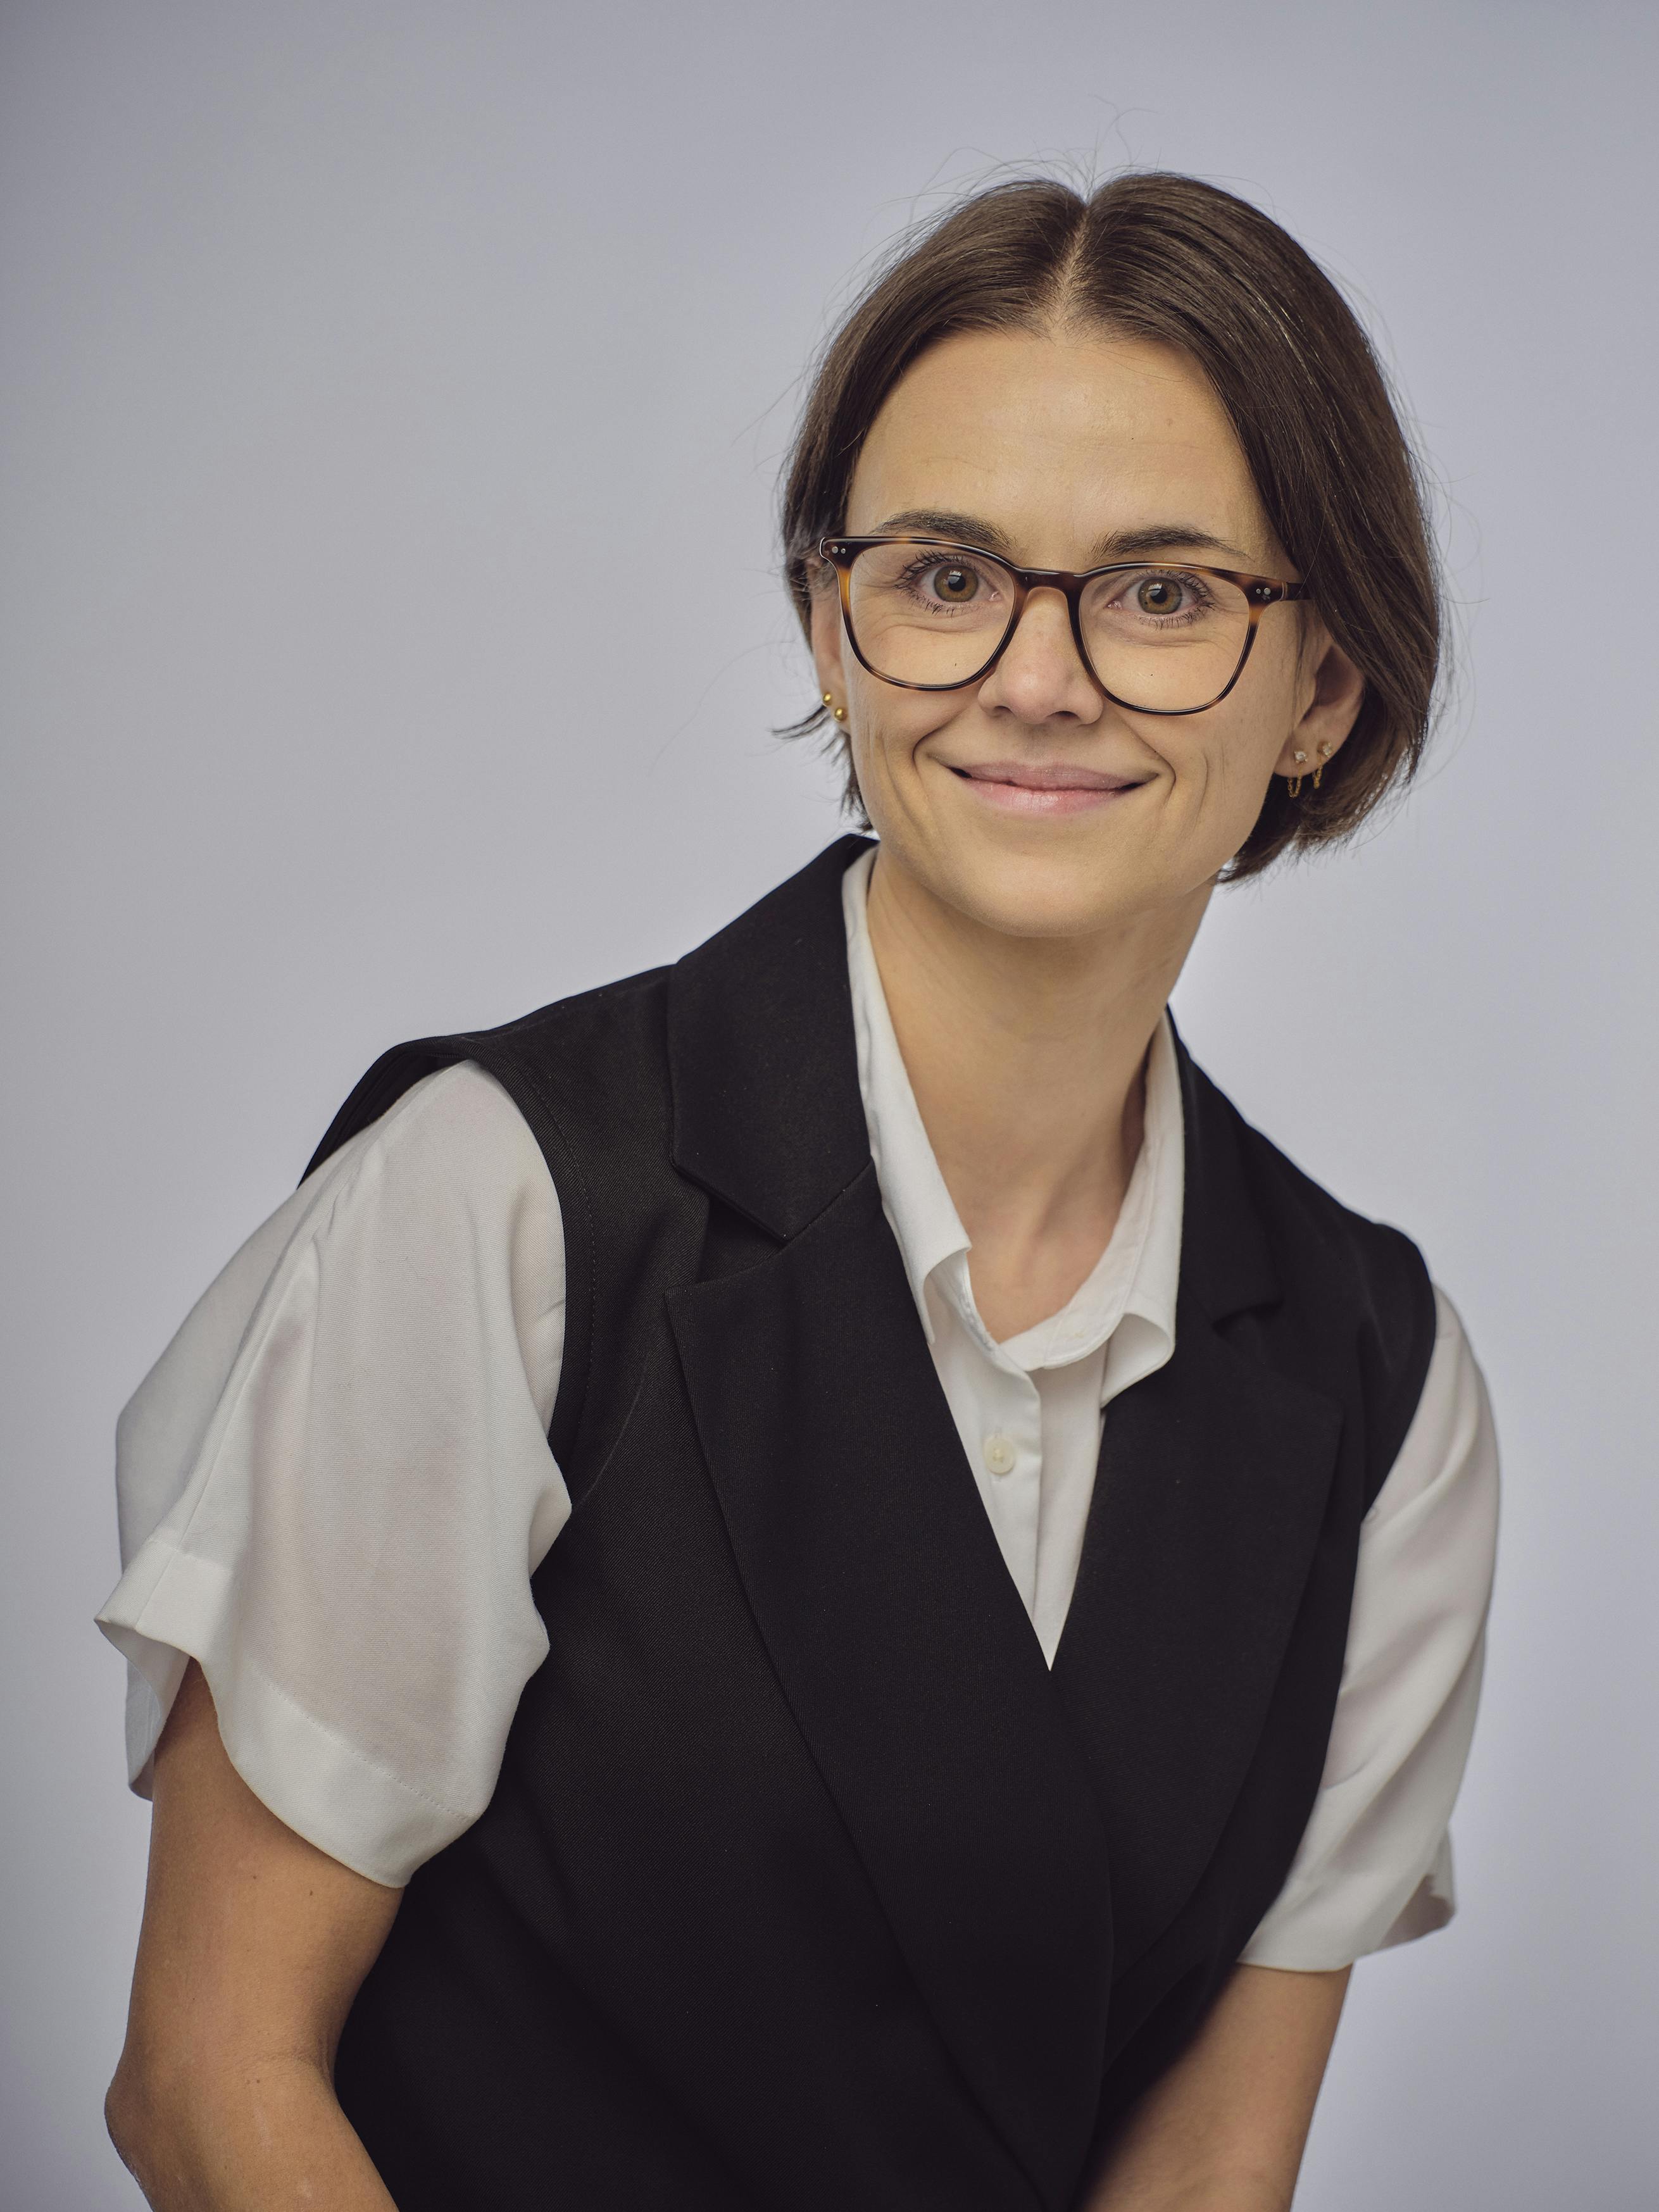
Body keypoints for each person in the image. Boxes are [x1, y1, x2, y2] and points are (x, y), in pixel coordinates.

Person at [99, 171, 1498, 2212]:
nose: (1036, 675)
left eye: (1168, 592)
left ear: (1327, 694)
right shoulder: (501, 1211)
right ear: (827, 630)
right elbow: (215, 2079)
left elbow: (1208, 2175)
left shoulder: (1386, 1392)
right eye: (944, 576)